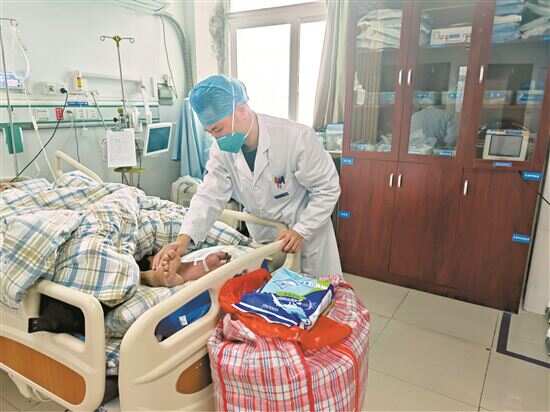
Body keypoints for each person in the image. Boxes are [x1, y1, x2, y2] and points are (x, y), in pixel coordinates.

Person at [152, 74, 341, 279]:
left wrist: (301, 230)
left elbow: (327, 189)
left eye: (218, 129)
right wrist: (182, 241)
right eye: (210, 132)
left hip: (307, 233)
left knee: (319, 291)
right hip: (265, 237)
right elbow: (208, 196)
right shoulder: (221, 150)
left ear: (241, 110)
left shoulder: (296, 137)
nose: (216, 138)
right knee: (273, 291)